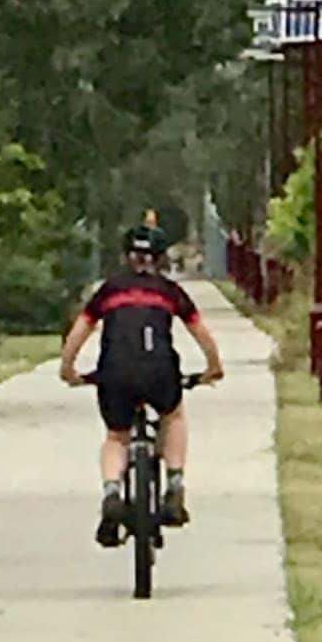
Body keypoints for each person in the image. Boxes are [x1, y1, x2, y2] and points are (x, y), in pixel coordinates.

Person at [58, 225, 224, 546]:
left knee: (116, 436)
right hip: (160, 371)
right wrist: (212, 368)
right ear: (160, 259)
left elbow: (81, 329)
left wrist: (69, 369)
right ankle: (174, 485)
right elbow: (201, 333)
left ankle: (111, 493)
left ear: (125, 256)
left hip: (115, 372)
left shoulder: (110, 290)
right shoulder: (168, 291)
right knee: (173, 415)